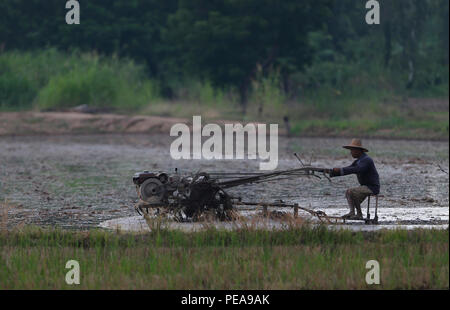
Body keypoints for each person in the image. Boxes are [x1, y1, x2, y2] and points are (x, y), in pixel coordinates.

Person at [330, 139, 380, 220]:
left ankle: (359, 214)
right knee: (348, 192)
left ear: (358, 150)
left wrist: (340, 170)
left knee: (352, 191)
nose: (351, 152)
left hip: (372, 187)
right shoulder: (358, 161)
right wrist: (332, 172)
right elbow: (348, 169)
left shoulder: (366, 160)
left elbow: (357, 169)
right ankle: (352, 212)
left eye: (352, 150)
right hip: (364, 186)